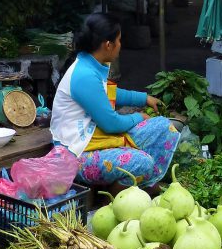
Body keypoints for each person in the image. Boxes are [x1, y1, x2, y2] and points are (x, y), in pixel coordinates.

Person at [50, 13, 180, 186]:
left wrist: (144, 98)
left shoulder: (91, 63)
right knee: (142, 163)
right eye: (118, 41)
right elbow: (111, 123)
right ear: (108, 45)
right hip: (75, 154)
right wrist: (139, 117)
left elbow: (107, 93)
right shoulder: (84, 75)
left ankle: (142, 182)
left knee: (163, 126)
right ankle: (112, 199)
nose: (120, 45)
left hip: (94, 136)